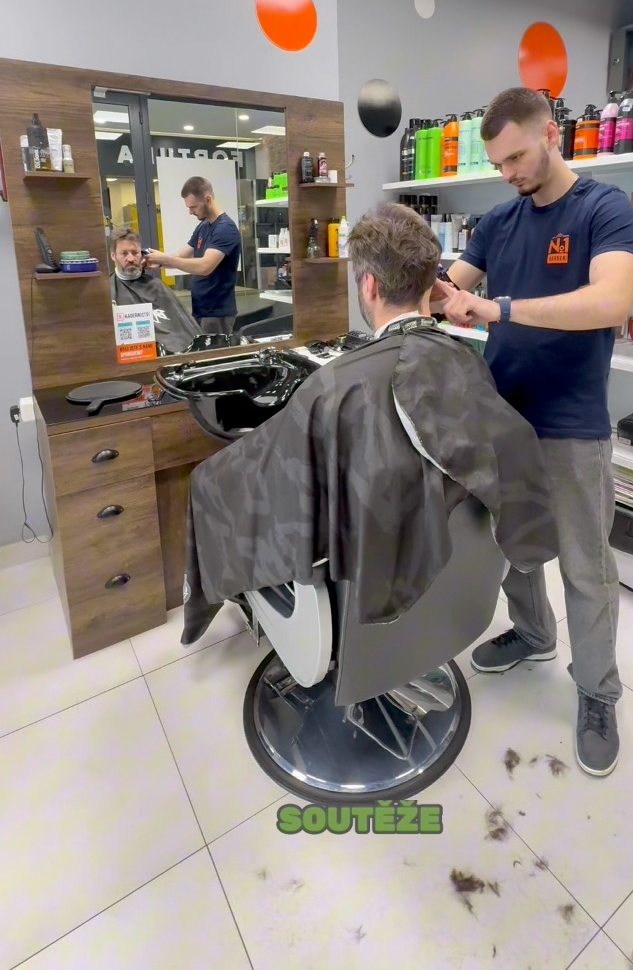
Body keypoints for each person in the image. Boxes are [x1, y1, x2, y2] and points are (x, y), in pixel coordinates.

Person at [182, 203, 559, 646]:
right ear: (431, 281)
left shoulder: (333, 388)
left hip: (367, 598)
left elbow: (273, 489)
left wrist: (205, 482)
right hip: (453, 602)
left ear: (369, 284)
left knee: (207, 481)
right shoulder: (464, 361)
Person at [432, 87, 633, 779]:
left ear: (551, 134)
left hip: (572, 423)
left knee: (585, 566)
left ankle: (597, 692)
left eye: (517, 157)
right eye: (498, 164)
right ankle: (531, 632)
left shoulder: (603, 209)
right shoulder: (499, 221)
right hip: (504, 416)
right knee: (516, 547)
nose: (509, 173)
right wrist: (415, 280)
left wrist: (498, 307)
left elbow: (611, 301)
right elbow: (450, 288)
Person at [145, 176, 241, 334]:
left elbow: (205, 266)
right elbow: (180, 255)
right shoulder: (203, 227)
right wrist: (158, 260)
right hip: (200, 309)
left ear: (208, 200)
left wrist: (166, 259)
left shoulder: (225, 229)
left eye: (193, 207)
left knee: (214, 351)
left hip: (217, 313)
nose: (190, 212)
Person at [109, 226, 200, 355]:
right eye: (124, 253)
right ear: (113, 256)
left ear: (142, 254)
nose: (130, 258)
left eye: (135, 253)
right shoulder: (107, 289)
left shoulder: (156, 285)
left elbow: (182, 330)